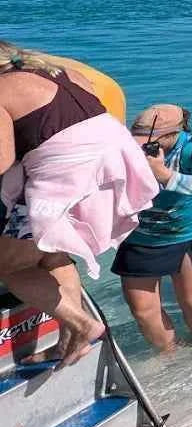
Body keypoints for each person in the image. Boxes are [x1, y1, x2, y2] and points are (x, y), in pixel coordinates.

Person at [0, 44, 157, 367]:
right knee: (54, 252)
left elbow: (1, 162)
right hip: (114, 168)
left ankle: (84, 324)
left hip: (69, 174)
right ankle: (70, 339)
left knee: (10, 267)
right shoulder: (62, 73)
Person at [116, 105, 192, 352]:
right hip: (140, 237)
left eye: (150, 140)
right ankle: (171, 358)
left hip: (187, 233)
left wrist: (162, 173)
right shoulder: (127, 148)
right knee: (142, 311)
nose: (141, 145)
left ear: (174, 133)